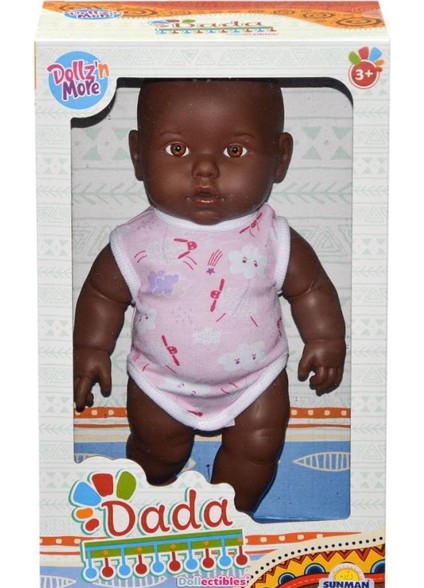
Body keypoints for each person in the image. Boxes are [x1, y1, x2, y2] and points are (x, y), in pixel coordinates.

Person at [73, 79, 346, 514]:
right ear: (138, 155)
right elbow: (103, 295)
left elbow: (311, 289)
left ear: (280, 158)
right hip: (159, 383)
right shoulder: (136, 240)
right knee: (156, 450)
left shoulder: (273, 238)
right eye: (177, 149)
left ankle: (230, 516)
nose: (205, 169)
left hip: (256, 382)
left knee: (257, 452)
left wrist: (326, 340)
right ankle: (147, 507)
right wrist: (90, 349)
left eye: (234, 151)